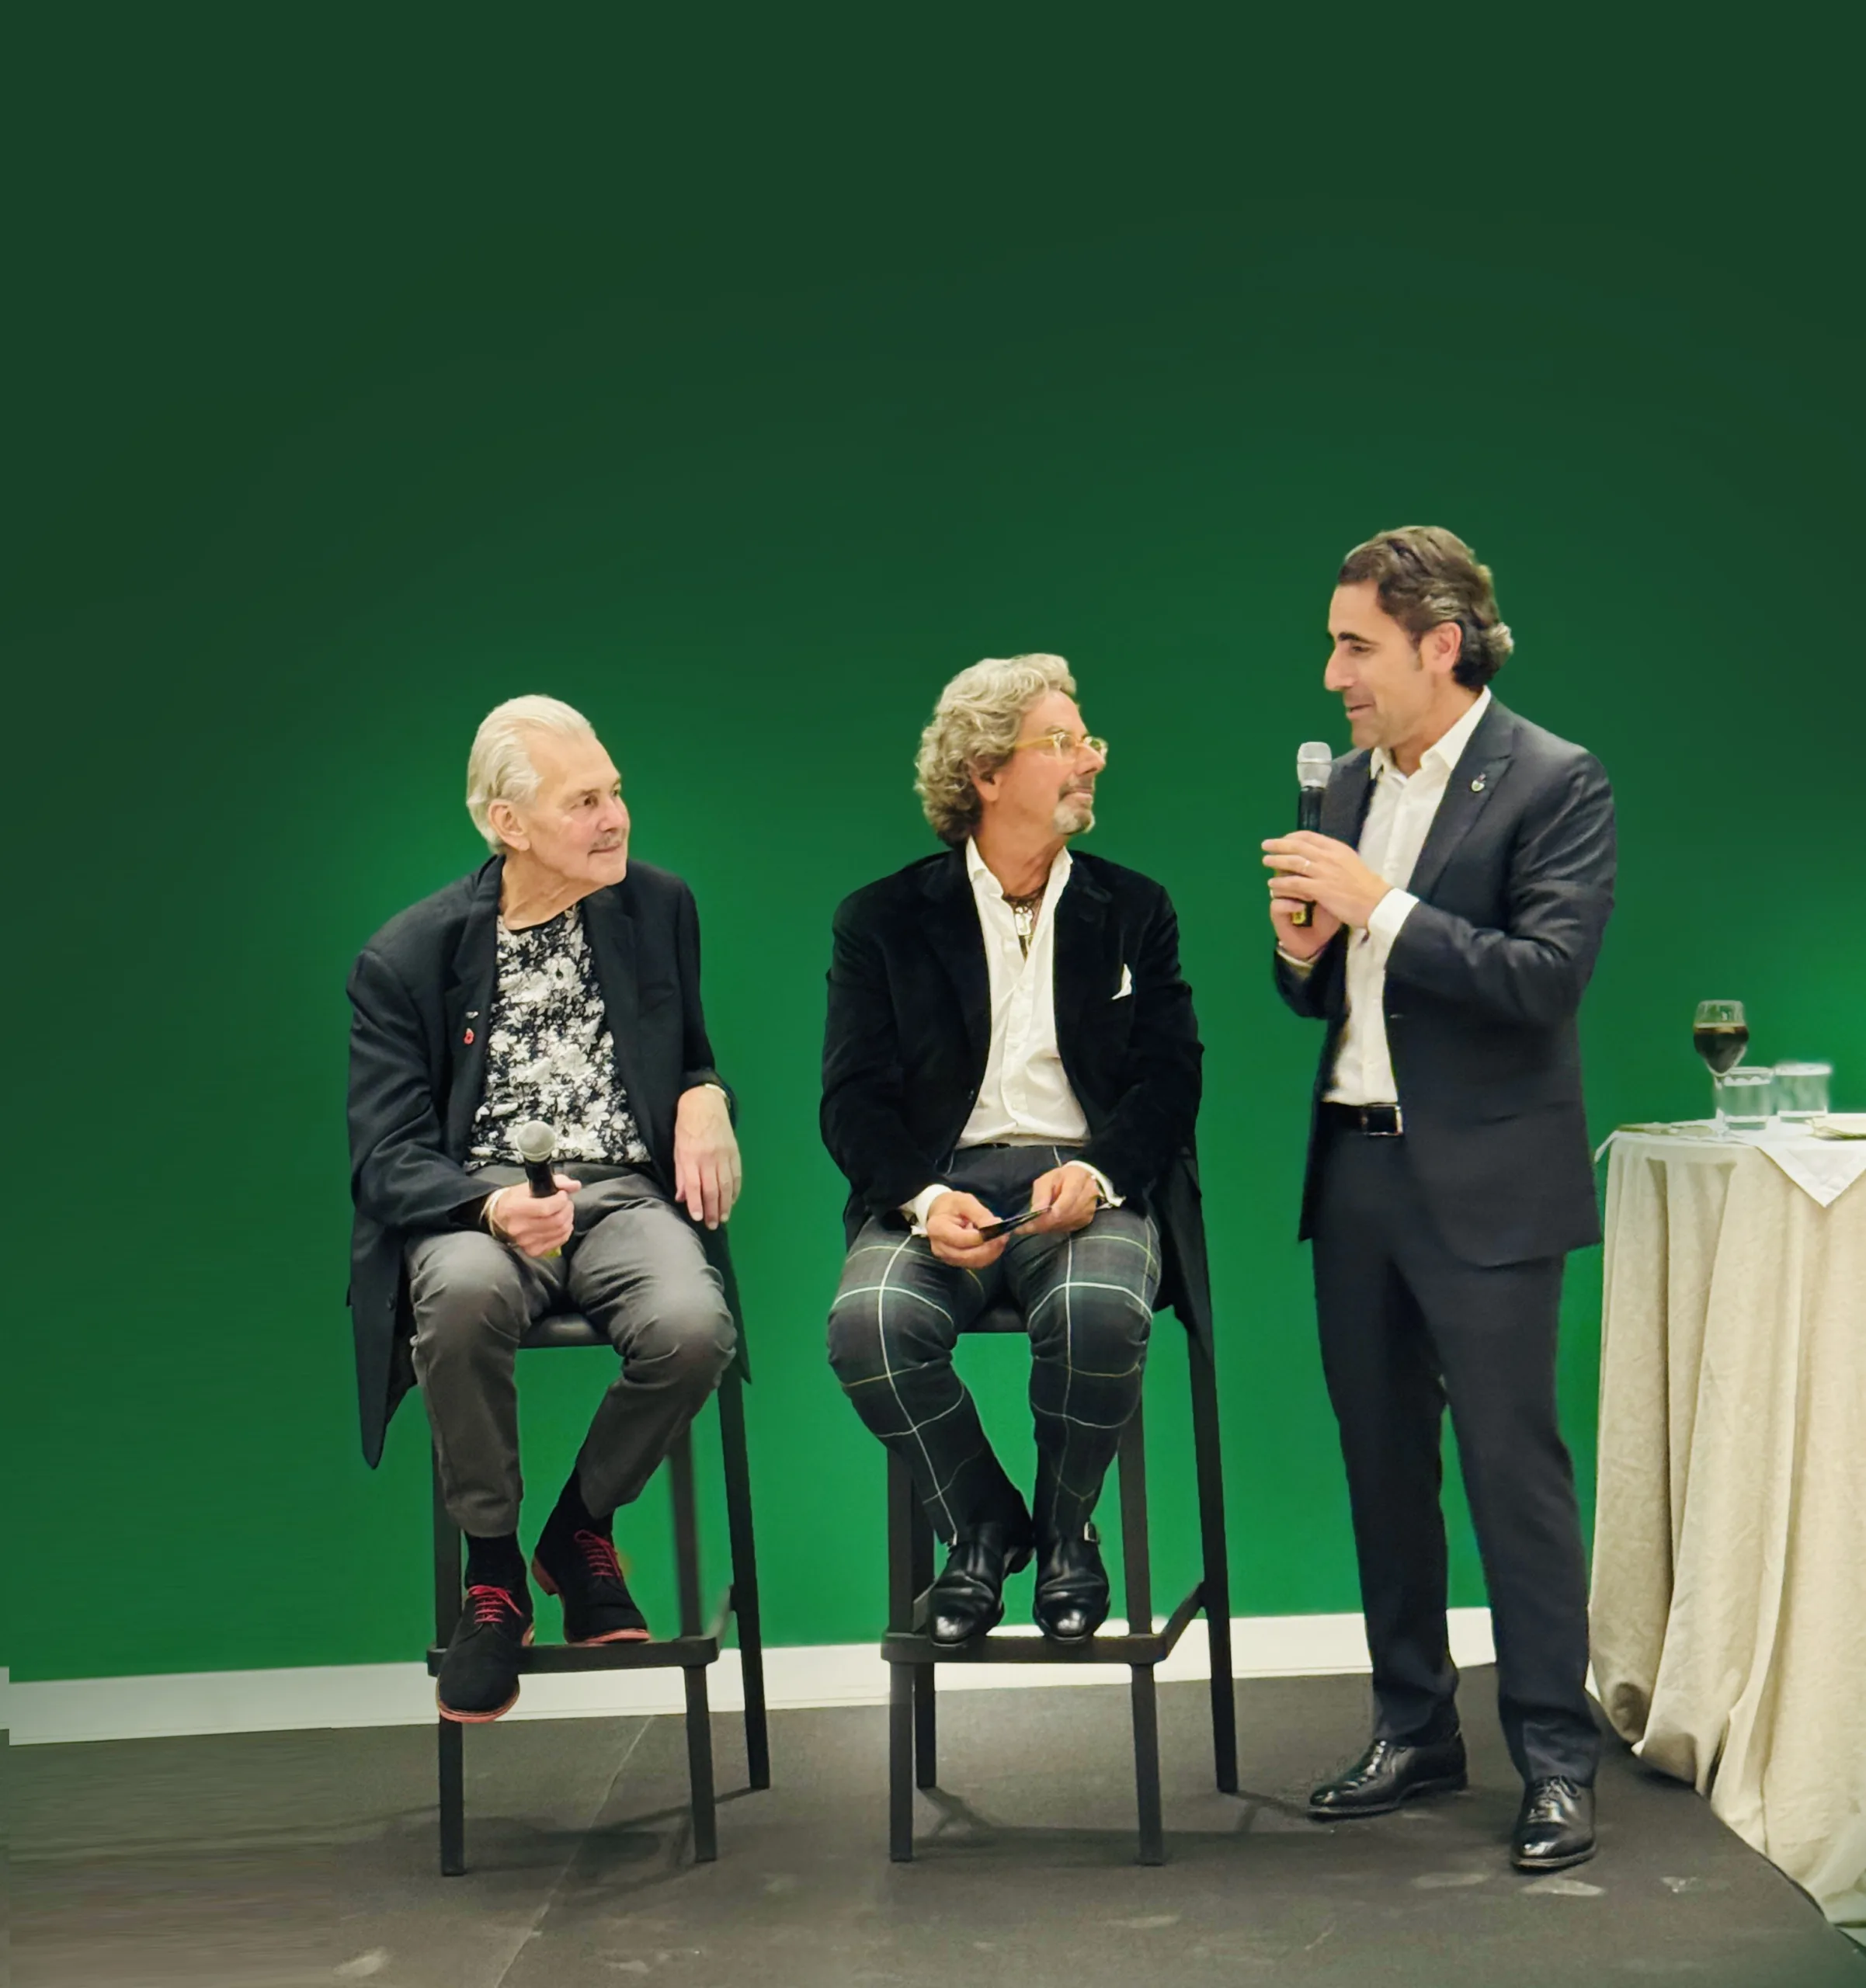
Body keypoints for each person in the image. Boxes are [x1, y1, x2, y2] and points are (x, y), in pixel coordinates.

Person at [1263, 527, 1613, 1872]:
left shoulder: (1551, 782)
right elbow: (1323, 992)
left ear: (1437, 644)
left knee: (1511, 1474)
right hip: (1353, 1167)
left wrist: (1379, 904)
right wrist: (1300, 950)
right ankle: (1412, 1728)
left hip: (1486, 1184)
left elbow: (1541, 980)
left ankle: (1555, 1758)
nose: (1331, 673)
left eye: (1354, 645)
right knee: (1379, 1466)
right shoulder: (1341, 787)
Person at [346, 696, 740, 1723]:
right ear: (506, 823)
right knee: (463, 1302)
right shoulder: (406, 958)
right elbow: (383, 1163)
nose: (614, 818)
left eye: (615, 793)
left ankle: (578, 1527)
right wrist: (486, 1207)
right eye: (583, 802)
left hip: (620, 1191)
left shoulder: (659, 906)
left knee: (693, 1330)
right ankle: (493, 1577)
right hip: (478, 1204)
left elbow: (687, 1052)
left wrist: (706, 1096)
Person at [822, 655, 1202, 1646]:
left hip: (1085, 1184)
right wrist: (916, 1196)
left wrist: (1102, 1170)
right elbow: (851, 1098)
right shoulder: (881, 920)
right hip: (937, 1187)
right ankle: (984, 1525)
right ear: (988, 774)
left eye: (1088, 741)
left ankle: (1069, 1528)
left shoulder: (1136, 908)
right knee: (868, 1325)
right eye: (1064, 743)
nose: (1090, 761)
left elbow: (1171, 1077)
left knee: (1099, 1310)